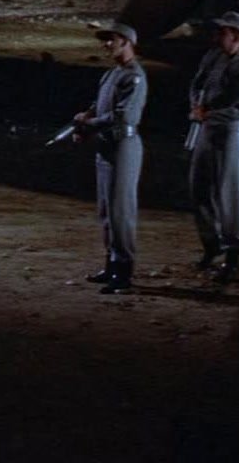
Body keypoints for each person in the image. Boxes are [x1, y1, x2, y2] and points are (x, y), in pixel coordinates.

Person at [74, 21, 148, 294]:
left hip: (123, 145)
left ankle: (123, 271)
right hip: (107, 145)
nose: (106, 45)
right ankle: (112, 264)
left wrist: (89, 125)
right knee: (106, 210)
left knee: (121, 211)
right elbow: (101, 105)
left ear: (126, 42)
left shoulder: (134, 76)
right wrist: (86, 118)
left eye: (112, 40)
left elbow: (123, 116)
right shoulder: (112, 74)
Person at [187, 11, 239, 283]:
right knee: (199, 189)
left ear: (237, 37)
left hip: (228, 133)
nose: (218, 36)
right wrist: (196, 106)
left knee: (228, 193)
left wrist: (208, 114)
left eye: (224, 32)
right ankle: (211, 244)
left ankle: (232, 252)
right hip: (206, 130)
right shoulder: (213, 56)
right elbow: (197, 83)